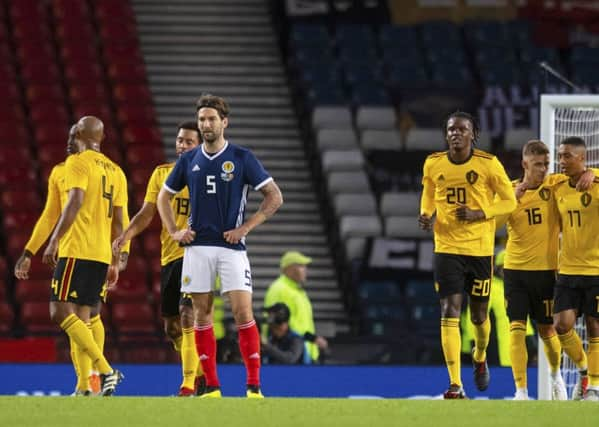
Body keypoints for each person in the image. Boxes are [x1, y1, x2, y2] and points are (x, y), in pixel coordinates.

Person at [156, 94, 283, 398]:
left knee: (243, 312)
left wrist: (245, 228)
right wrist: (175, 231)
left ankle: (254, 386)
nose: (207, 123)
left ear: (224, 122)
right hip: (197, 248)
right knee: (202, 314)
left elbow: (275, 197)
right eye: (202, 119)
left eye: (212, 118)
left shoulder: (241, 157)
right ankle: (211, 386)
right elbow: (163, 198)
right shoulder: (189, 160)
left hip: (231, 249)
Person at [14, 124, 129, 396]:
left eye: (74, 132)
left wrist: (51, 243)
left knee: (60, 312)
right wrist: (120, 257)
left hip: (76, 249)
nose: (69, 137)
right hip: (101, 255)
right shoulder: (117, 172)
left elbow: (70, 204)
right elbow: (121, 221)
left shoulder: (76, 164)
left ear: (84, 137)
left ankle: (105, 370)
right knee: (86, 317)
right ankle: (84, 388)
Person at [419, 111, 517, 399]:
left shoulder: (488, 164)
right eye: (451, 129)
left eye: (462, 129)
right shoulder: (433, 163)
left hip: (479, 250)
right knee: (449, 309)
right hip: (447, 248)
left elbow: (509, 201)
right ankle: (455, 384)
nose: (455, 134)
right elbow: (428, 191)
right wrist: (426, 214)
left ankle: (481, 355)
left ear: (473, 134)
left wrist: (480, 213)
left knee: (478, 317)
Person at [112, 121, 204, 396]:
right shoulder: (162, 174)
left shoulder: (208, 176)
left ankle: (188, 384)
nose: (183, 145)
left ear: (200, 145)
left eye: (189, 141)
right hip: (170, 257)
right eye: (180, 140)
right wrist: (126, 235)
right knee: (172, 326)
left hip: (198, 254)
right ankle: (199, 372)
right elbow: (146, 212)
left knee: (188, 315)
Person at [500, 139, 595, 400]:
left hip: (547, 271)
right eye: (538, 165)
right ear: (525, 164)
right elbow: (492, 223)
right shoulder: (509, 190)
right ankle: (520, 391)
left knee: (549, 330)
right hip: (515, 271)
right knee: (516, 327)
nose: (543, 170)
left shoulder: (555, 185)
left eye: (546, 164)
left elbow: (582, 174)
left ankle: (557, 375)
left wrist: (590, 171)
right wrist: (511, 201)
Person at [552, 136, 599, 401]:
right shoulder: (558, 187)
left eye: (567, 156)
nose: (562, 161)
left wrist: (595, 172)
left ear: (582, 157)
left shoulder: (596, 184)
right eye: (560, 156)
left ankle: (593, 387)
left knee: (595, 326)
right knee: (561, 325)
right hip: (568, 269)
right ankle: (583, 370)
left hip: (596, 270)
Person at [263, 251, 328, 362]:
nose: (305, 270)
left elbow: (303, 324)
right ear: (289, 268)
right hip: (289, 353)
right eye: (301, 266)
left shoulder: (297, 290)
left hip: (304, 351)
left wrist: (312, 338)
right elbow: (273, 320)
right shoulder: (279, 289)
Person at [461, 249, 512, 368]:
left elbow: (526, 325)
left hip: (514, 357)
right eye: (505, 268)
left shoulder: (513, 289)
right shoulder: (489, 288)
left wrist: (532, 347)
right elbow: (474, 318)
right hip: (493, 356)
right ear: (497, 268)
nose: (508, 272)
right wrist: (475, 347)